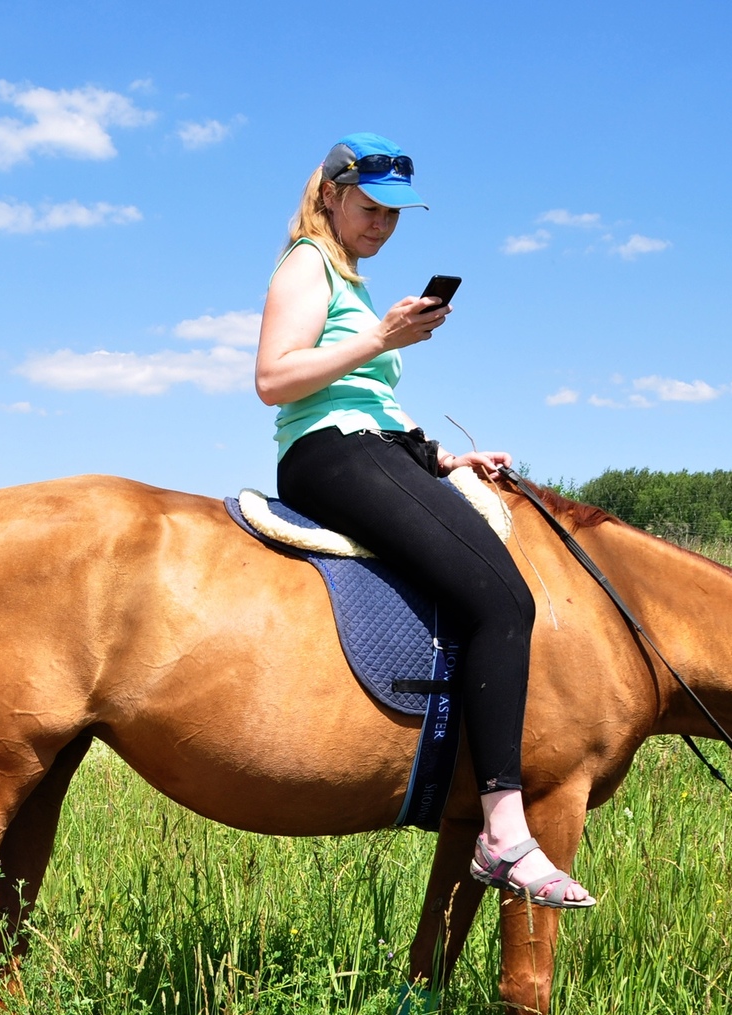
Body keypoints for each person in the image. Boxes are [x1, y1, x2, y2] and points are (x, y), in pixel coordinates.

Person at [253, 133, 594, 908]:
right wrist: (380, 338)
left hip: (373, 446)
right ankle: (504, 833)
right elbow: (274, 379)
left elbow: (370, 403)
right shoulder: (309, 262)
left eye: (395, 215)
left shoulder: (353, 278)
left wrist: (445, 461)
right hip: (329, 455)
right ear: (331, 196)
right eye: (369, 208)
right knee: (503, 599)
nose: (381, 225)